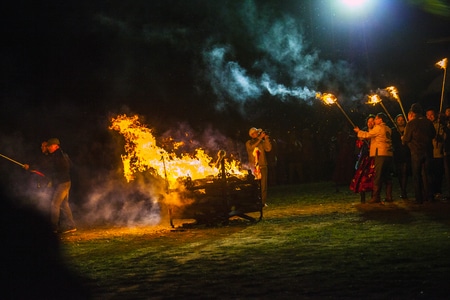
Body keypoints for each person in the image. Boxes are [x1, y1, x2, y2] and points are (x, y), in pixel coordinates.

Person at [354, 112, 394, 204]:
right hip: (388, 154)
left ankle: (376, 197)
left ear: (380, 120)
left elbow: (367, 135)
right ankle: (389, 196)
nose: (375, 121)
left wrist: (358, 131)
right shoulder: (388, 128)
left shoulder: (378, 127)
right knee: (387, 175)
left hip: (380, 154)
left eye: (376, 119)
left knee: (378, 176)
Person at [402, 103, 435, 204]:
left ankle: (419, 198)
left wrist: (403, 139)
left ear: (412, 112)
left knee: (417, 175)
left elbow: (406, 138)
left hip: (416, 152)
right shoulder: (428, 122)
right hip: (428, 151)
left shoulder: (411, 123)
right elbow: (433, 134)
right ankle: (429, 196)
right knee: (428, 174)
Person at [46, 138, 76, 233]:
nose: (48, 148)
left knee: (55, 204)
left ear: (56, 146)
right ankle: (71, 226)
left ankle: (54, 228)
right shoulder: (61, 154)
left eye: (50, 146)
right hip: (66, 182)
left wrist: (54, 177)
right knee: (64, 204)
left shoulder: (59, 156)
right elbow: (70, 165)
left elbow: (65, 167)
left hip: (63, 183)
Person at [350, 114, 375, 203]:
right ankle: (362, 198)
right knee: (362, 177)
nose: (370, 123)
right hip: (365, 157)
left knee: (373, 177)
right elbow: (359, 144)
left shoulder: (376, 131)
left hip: (373, 157)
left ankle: (374, 197)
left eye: (372, 121)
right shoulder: (364, 131)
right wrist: (359, 136)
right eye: (368, 121)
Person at [246, 127, 272, 207]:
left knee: (263, 185)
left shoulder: (261, 142)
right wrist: (260, 138)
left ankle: (262, 202)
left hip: (262, 165)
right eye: (256, 133)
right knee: (255, 185)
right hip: (254, 167)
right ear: (252, 135)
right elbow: (251, 148)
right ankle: (254, 201)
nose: (258, 134)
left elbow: (268, 149)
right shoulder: (248, 143)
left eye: (258, 132)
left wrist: (266, 139)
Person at [425, 107, 445, 200]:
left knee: (438, 174)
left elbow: (444, 136)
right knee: (429, 174)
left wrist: (439, 137)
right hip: (428, 153)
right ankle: (430, 191)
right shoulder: (425, 125)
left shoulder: (439, 125)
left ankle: (438, 191)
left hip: (438, 152)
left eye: (431, 115)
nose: (430, 117)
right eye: (428, 115)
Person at [391, 114, 411, 199]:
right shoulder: (394, 131)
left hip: (406, 152)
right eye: (398, 119)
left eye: (402, 119)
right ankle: (402, 189)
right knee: (399, 172)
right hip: (397, 153)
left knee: (405, 172)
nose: (400, 121)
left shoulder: (408, 129)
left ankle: (404, 190)